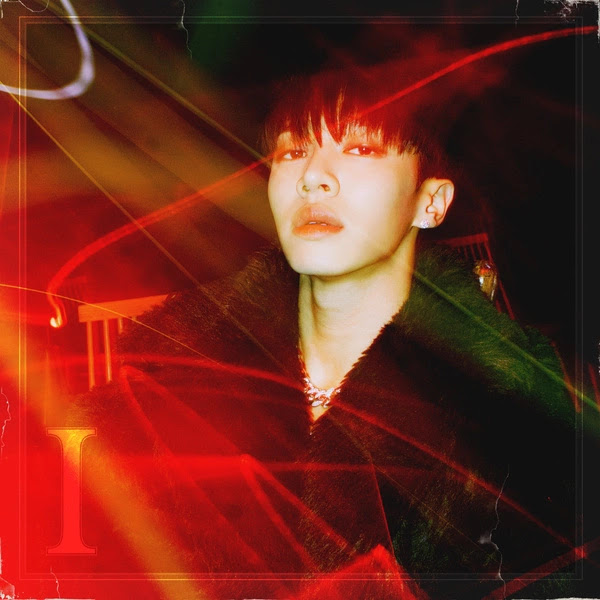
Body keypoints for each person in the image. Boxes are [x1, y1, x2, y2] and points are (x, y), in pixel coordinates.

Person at [63, 64, 578, 600]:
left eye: (360, 149)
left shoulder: (515, 415)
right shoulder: (163, 378)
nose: (312, 176)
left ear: (430, 203)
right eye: (292, 152)